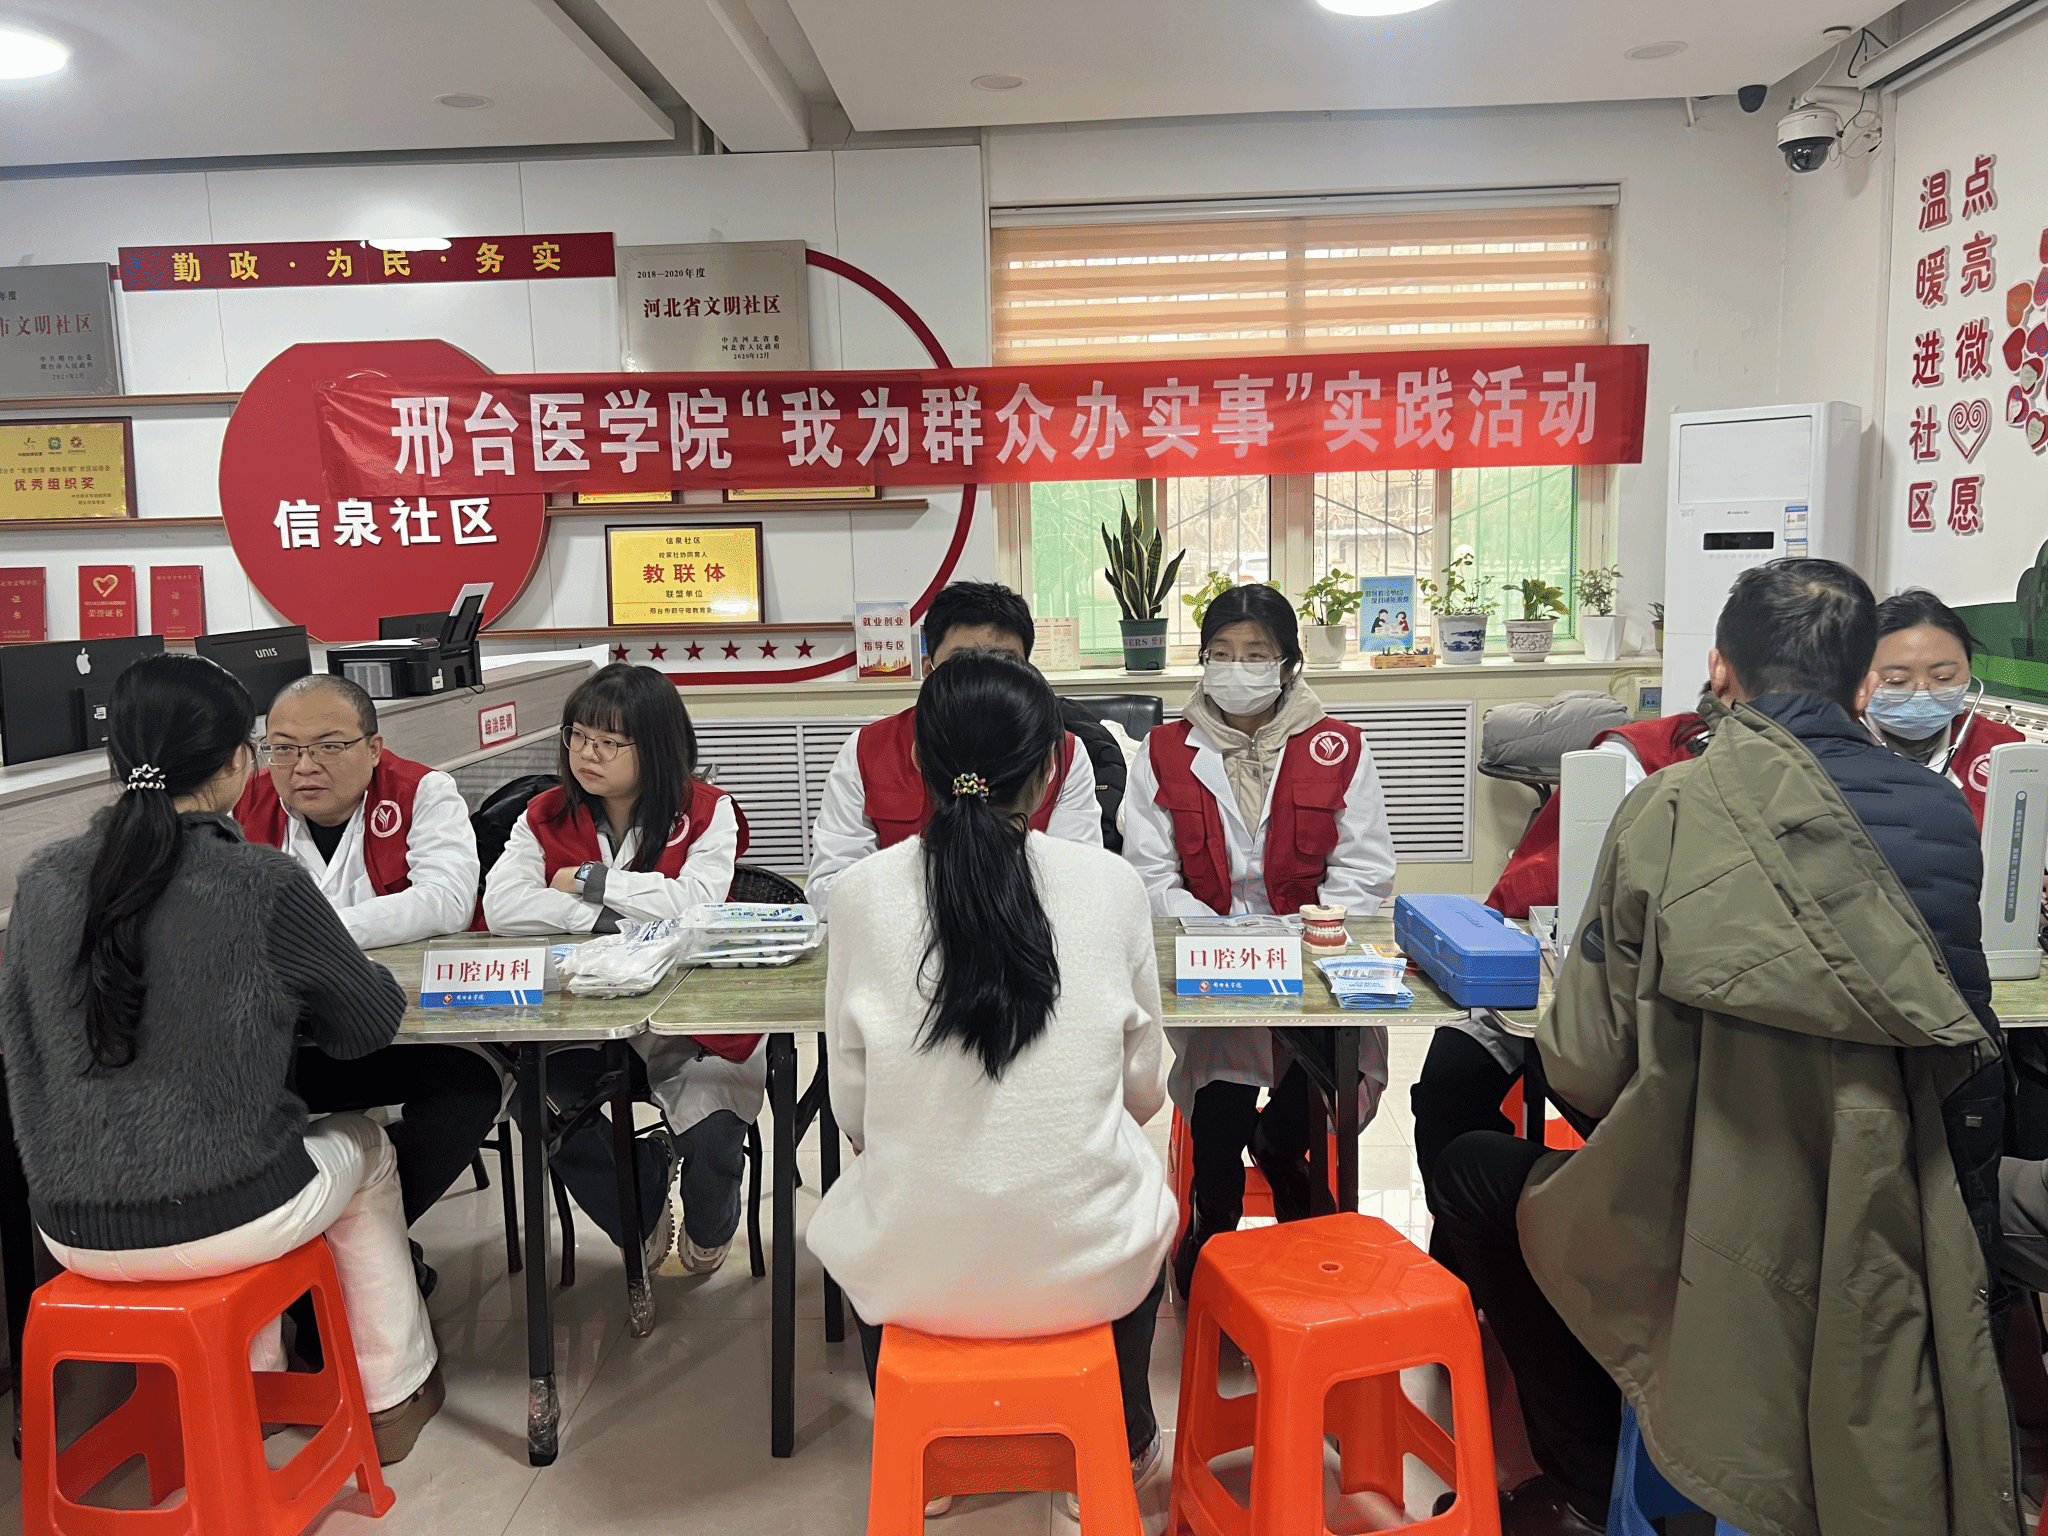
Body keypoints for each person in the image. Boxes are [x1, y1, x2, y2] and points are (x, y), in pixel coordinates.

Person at [1429, 559, 2015, 1536]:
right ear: (1863, 683)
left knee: (1473, 1176)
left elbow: (1582, 1068)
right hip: (1898, 1210)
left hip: (1722, 1213)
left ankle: (1585, 1478)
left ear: (1719, 670)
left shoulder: (1670, 807)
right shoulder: (1943, 813)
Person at [0, 654, 443, 1462]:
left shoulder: (41, 883)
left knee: (252, 1157)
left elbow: (26, 1041)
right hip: (224, 1216)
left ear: (113, 760)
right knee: (365, 1150)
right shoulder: (260, 881)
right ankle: (391, 1397)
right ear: (241, 761)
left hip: (68, 1227)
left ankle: (246, 1391)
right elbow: (366, 1028)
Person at [806, 649, 1174, 1517]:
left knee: (864, 1191)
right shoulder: (1110, 886)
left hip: (910, 1271)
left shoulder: (858, 896)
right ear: (1050, 768)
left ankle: (926, 1464)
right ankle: (1119, 1446)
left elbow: (851, 1106)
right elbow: (1145, 1089)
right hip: (1090, 1262)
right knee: (1138, 1182)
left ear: (919, 762)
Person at [1121, 582, 1396, 1296]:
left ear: (1288, 664)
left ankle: (1285, 1163)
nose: (1235, 668)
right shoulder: (1163, 752)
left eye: (1255, 653)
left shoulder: (1339, 748)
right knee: (1222, 1086)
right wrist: (1228, 941)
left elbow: (1365, 870)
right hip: (1207, 956)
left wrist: (1293, 941)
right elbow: (1148, 875)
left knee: (1323, 1079)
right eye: (1221, 653)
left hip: (1313, 959)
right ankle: (1214, 1218)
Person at [483, 664, 757, 1277]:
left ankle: (711, 1229)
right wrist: (608, 919)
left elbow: (695, 904)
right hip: (584, 1016)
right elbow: (503, 907)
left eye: (609, 742)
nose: (587, 754)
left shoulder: (707, 810)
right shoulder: (544, 813)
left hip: (689, 1016)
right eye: (578, 737)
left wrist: (589, 880)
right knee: (537, 1101)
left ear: (656, 746)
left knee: (713, 1137)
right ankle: (638, 1206)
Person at [234, 673, 501, 1282]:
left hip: (388, 1027)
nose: (304, 766)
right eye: (284, 748)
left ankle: (343, 1255)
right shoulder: (244, 803)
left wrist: (309, 931)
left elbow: (446, 901)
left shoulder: (422, 791)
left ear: (373, 747)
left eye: (329, 746)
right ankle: (345, 1261)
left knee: (468, 1092)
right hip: (278, 1043)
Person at [1410, 705, 1710, 1203]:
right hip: (1564, 972)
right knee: (1448, 1091)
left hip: (1671, 1026)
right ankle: (1479, 1241)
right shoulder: (1640, 758)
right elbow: (1545, 885)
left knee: (1637, 1140)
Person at [807, 581, 1107, 910]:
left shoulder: (1062, 754)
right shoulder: (867, 750)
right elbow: (829, 889)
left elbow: (1078, 881)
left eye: (1003, 662)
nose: (982, 680)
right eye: (962, 661)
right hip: (901, 934)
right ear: (928, 669)